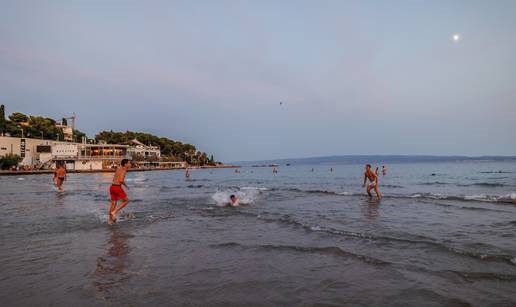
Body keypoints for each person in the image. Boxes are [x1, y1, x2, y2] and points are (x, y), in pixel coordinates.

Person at [108, 159, 131, 225]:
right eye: (129, 163)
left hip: (112, 187)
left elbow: (115, 177)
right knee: (126, 200)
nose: (130, 164)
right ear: (125, 164)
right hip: (117, 187)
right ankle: (114, 212)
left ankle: (110, 220)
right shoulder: (124, 170)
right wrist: (126, 186)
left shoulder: (119, 168)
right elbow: (121, 180)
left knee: (113, 204)